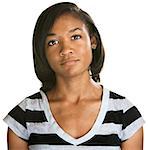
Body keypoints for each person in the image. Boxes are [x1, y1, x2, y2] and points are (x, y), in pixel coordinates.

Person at [4, 2, 145, 150]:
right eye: (53, 42)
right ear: (42, 52)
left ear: (93, 41)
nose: (66, 49)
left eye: (75, 36)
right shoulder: (23, 117)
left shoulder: (125, 115)